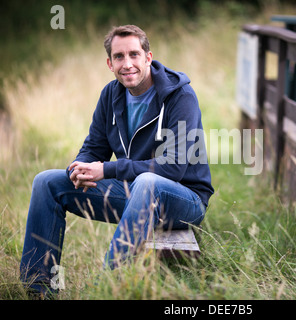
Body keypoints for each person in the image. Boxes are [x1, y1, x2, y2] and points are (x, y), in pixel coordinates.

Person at [19, 24, 213, 298]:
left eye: (134, 54)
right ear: (110, 63)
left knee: (148, 182)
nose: (127, 64)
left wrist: (107, 169)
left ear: (148, 57)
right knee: (47, 181)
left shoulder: (179, 97)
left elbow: (174, 167)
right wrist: (80, 168)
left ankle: (106, 290)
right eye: (119, 57)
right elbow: (94, 148)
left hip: (185, 199)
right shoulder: (111, 95)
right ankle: (39, 290)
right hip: (135, 192)